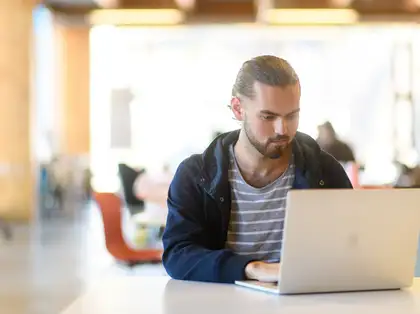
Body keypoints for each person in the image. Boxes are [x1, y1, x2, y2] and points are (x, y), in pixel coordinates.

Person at [162, 55, 353, 284]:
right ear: (238, 109)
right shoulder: (195, 175)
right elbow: (178, 255)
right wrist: (253, 269)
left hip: (303, 303)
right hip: (221, 302)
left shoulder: (324, 171)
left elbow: (350, 247)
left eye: (292, 116)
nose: (282, 129)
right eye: (268, 116)